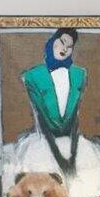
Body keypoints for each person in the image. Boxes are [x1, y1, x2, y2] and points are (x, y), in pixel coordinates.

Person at [21, 28, 85, 174]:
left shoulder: (79, 75)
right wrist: (61, 160)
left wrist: (72, 156)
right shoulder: (33, 76)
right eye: (62, 42)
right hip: (45, 143)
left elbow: (76, 117)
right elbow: (40, 118)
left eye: (69, 47)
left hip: (72, 142)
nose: (65, 49)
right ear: (52, 41)